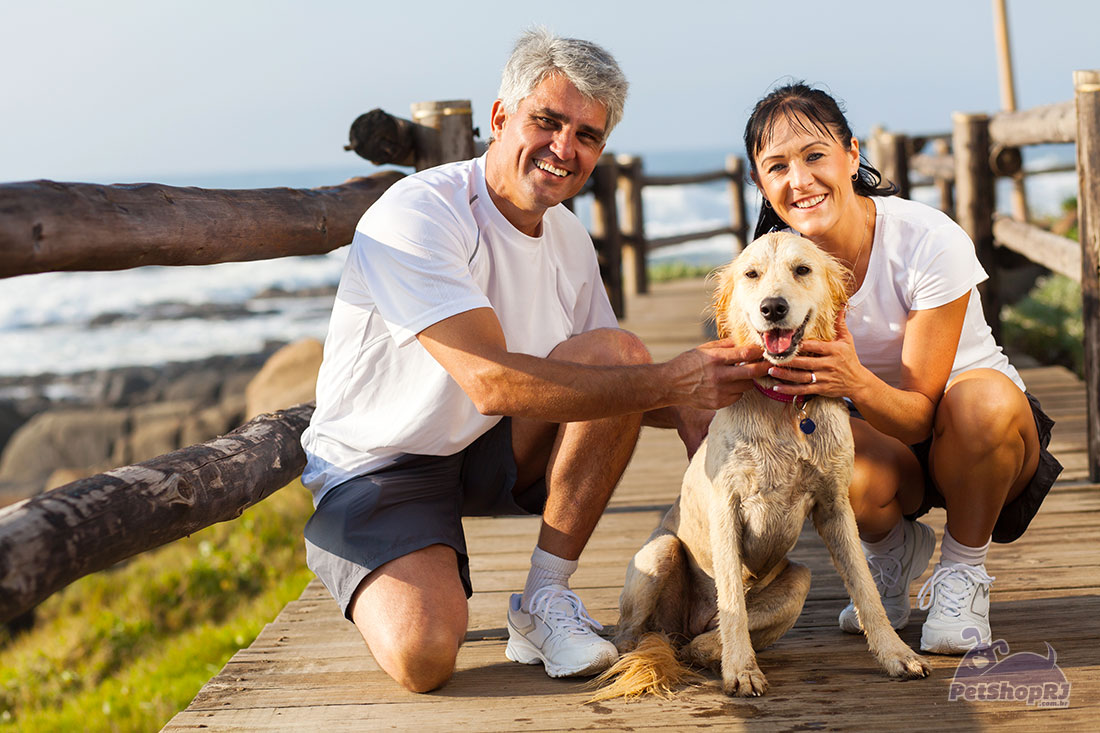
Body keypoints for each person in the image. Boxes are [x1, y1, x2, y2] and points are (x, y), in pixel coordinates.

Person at [299, 29, 770, 693]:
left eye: (587, 135)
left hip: (493, 447)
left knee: (618, 355)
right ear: (500, 118)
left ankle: (546, 600)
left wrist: (707, 394)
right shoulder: (420, 215)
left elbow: (622, 387)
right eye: (546, 121)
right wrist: (673, 376)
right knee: (423, 657)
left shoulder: (570, 236)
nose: (564, 148)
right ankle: (368, 556)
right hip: (382, 462)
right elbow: (490, 381)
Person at [741, 82, 1063, 654]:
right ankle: (891, 553)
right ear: (760, 184)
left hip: (980, 433)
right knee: (816, 444)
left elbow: (919, 414)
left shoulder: (926, 239)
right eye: (777, 167)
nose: (800, 180)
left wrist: (853, 380)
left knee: (976, 405)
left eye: (816, 156)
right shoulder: (776, 264)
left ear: (851, 154)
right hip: (877, 435)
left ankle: (962, 573)